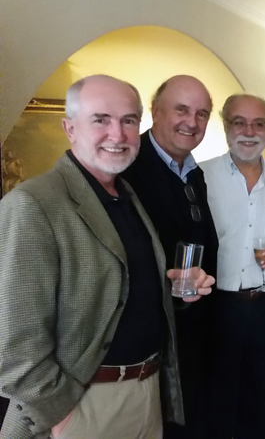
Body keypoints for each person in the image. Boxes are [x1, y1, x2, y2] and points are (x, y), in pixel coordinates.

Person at [0, 75, 214, 439]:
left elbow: (122, 294)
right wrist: (59, 414)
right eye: (101, 119)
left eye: (128, 120)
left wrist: (175, 290)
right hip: (83, 405)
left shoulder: (126, 196)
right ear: (70, 128)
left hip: (147, 394)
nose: (118, 134)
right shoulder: (33, 204)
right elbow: (15, 339)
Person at [120, 74, 219, 439]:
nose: (192, 122)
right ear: (155, 111)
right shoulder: (127, 169)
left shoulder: (193, 173)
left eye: (202, 114)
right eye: (182, 110)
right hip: (151, 348)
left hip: (194, 337)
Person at [200, 94, 265, 438]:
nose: (249, 131)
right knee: (214, 411)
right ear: (225, 126)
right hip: (214, 310)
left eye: (259, 123)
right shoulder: (200, 177)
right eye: (239, 122)